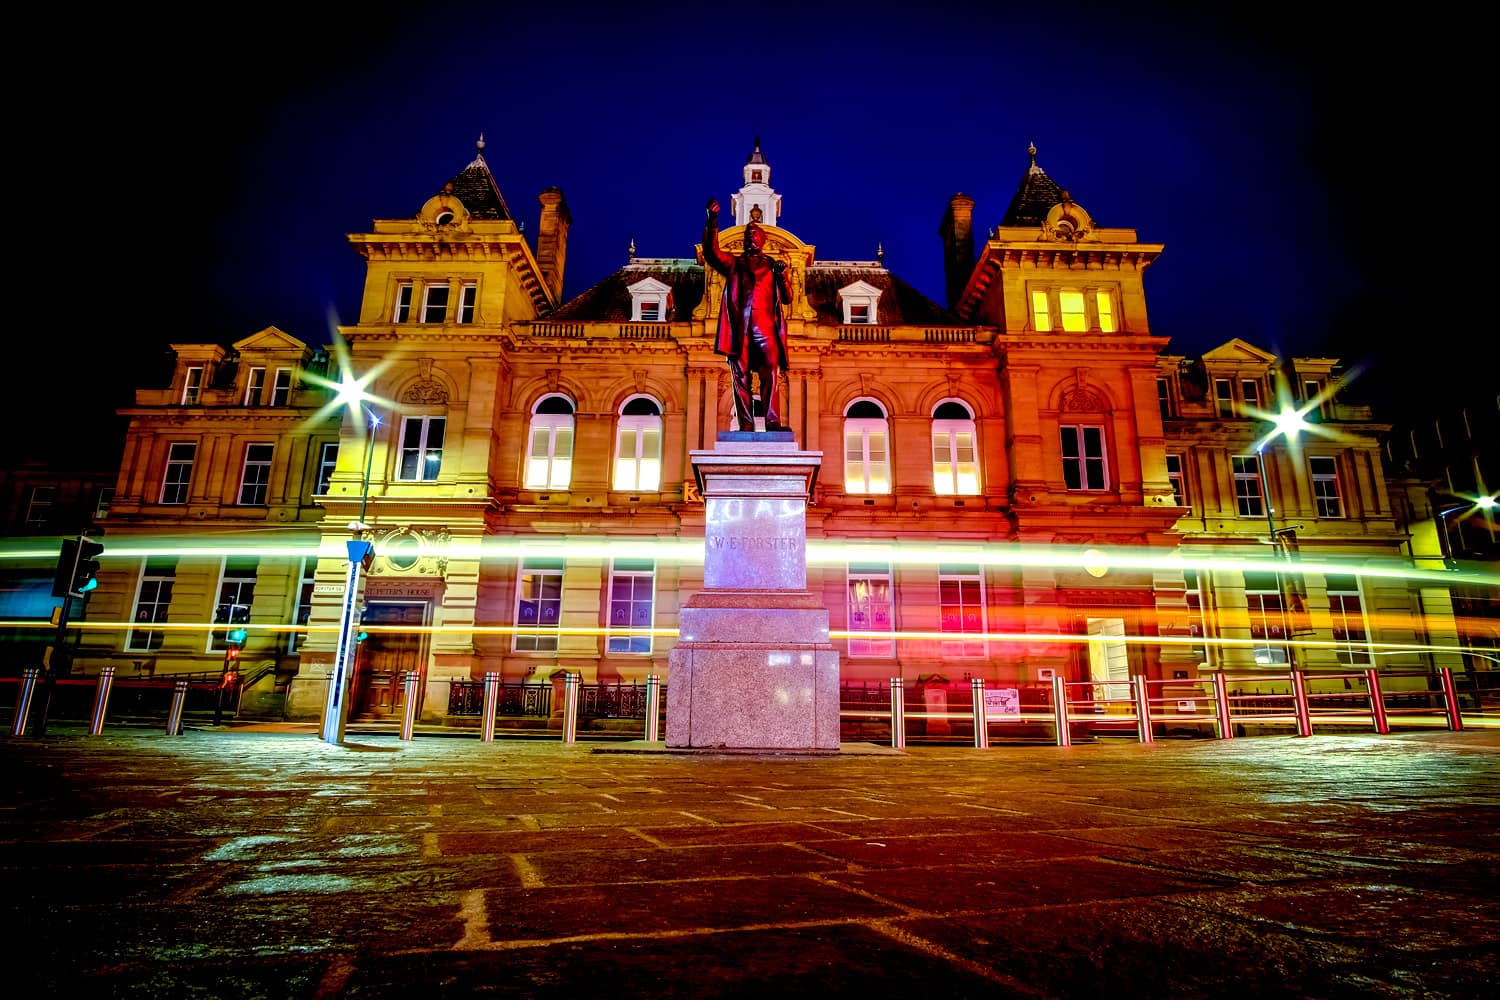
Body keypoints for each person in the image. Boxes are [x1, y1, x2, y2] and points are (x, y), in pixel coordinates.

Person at [702, 197, 792, 432]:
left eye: (754, 235)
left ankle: (772, 421)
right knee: (739, 377)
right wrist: (713, 222)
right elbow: (711, 253)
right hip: (739, 330)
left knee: (771, 371)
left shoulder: (772, 265)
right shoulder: (735, 263)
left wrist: (782, 276)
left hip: (765, 329)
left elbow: (788, 297)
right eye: (747, 236)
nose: (750, 238)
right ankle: (746, 425)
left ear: (762, 240)